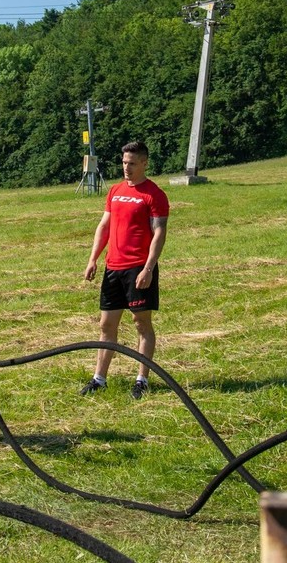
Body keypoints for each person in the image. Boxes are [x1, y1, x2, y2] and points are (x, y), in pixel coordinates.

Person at [81, 141, 170, 400]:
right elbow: (104, 226)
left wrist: (148, 268)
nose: (126, 168)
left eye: (131, 163)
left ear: (144, 163)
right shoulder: (116, 191)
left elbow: (159, 234)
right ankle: (100, 378)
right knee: (106, 324)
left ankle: (142, 379)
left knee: (141, 323)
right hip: (113, 268)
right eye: (123, 163)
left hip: (137, 269)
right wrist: (93, 259)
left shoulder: (154, 195)